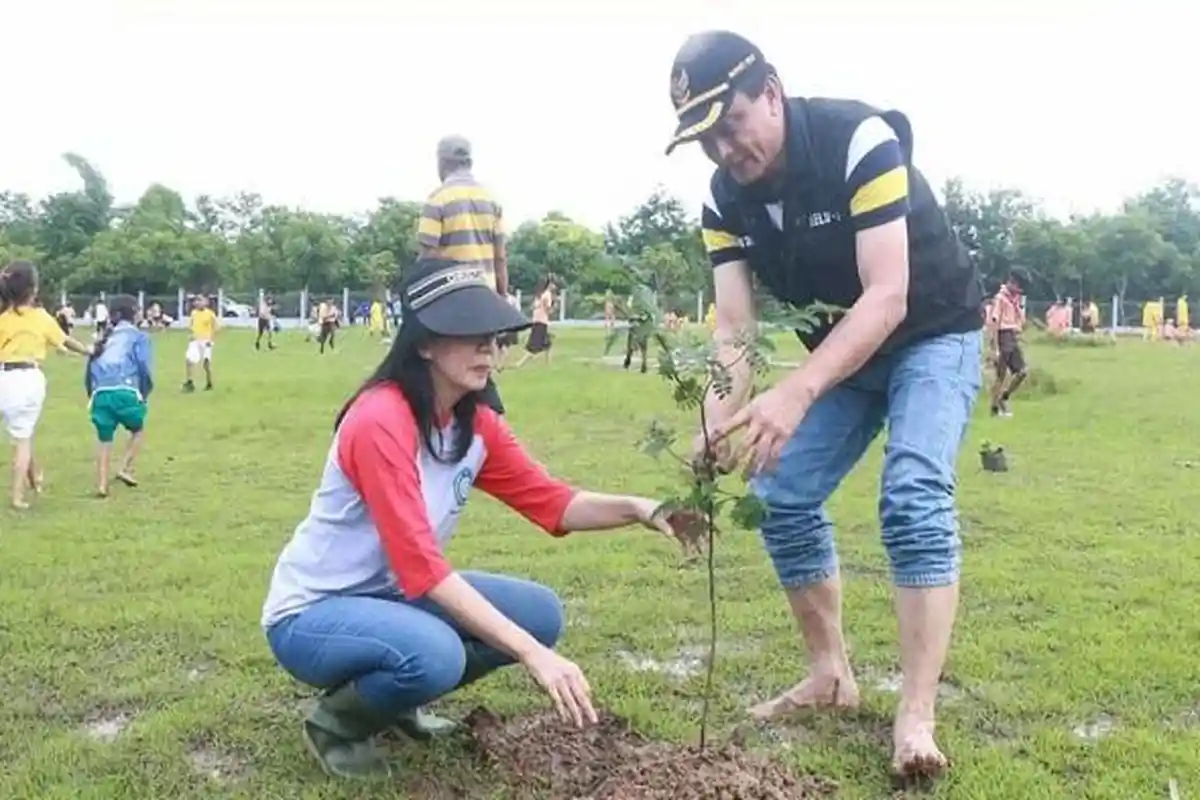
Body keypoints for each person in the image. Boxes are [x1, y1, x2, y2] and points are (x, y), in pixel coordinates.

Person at [664, 31, 984, 778]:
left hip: (931, 334)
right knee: (777, 490)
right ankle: (830, 676)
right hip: (849, 353)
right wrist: (712, 423)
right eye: (704, 136)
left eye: (730, 123)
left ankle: (916, 715)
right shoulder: (722, 199)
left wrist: (798, 389)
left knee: (911, 494)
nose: (722, 148)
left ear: (771, 93)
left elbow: (888, 295)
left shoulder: (858, 142)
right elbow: (736, 331)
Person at [260, 257, 686, 779]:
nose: (489, 347)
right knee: (437, 655)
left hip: (393, 594)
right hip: (313, 614)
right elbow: (421, 565)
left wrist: (639, 508)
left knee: (540, 614)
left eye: (492, 334)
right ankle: (337, 724)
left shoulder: (474, 423)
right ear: (423, 344)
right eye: (468, 333)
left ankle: (393, 705)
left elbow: (553, 502)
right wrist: (533, 657)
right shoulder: (379, 419)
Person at [418, 135, 510, 415]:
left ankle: (483, 425)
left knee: (443, 369)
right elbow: (500, 256)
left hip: (451, 301)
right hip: (484, 300)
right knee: (478, 365)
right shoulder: (490, 199)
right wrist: (501, 303)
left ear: (442, 162)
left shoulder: (438, 199)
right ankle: (486, 424)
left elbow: (427, 256)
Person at [0, 261, 93, 509]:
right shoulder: (41, 317)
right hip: (29, 379)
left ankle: (35, 480)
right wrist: (87, 351)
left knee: (21, 433)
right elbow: (66, 340)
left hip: (4, 379)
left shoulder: (3, 319)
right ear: (33, 289)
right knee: (22, 439)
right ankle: (18, 498)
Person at [85, 295, 153, 497]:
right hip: (126, 390)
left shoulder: (103, 337)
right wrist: (144, 392)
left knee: (104, 440)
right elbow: (143, 368)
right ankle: (124, 467)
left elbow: (89, 370)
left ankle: (102, 485)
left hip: (100, 394)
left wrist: (91, 394)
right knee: (138, 430)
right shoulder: (139, 337)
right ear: (133, 313)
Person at [988, 271, 1029, 417]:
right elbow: (994, 321)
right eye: (1019, 287)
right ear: (1012, 283)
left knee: (1022, 371)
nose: (1020, 291)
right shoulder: (1001, 299)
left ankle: (1004, 397)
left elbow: (1020, 321)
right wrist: (995, 347)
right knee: (1001, 374)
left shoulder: (1015, 300)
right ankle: (995, 408)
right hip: (1003, 335)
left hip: (1012, 335)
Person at [511, 276, 555, 369]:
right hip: (542, 321)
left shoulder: (539, 295)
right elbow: (548, 308)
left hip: (537, 319)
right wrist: (552, 309)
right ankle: (520, 363)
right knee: (535, 344)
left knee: (548, 343)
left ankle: (548, 364)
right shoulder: (547, 294)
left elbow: (533, 307)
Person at [184, 294, 218, 392]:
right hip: (195, 341)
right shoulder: (193, 313)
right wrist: (191, 334)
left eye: (200, 300)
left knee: (206, 363)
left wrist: (211, 340)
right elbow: (191, 326)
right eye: (196, 301)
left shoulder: (210, 314)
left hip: (206, 341)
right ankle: (190, 382)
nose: (198, 303)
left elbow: (216, 328)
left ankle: (209, 382)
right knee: (189, 360)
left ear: (206, 302)